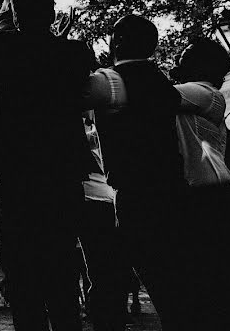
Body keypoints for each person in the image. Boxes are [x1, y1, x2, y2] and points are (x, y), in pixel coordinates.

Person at [0, 0, 95, 331]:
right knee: (63, 266)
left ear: (15, 15)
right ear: (53, 13)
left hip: (16, 173)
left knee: (22, 273)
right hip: (63, 169)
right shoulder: (76, 52)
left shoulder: (0, 45)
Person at [83, 14, 203, 331]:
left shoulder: (110, 82)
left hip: (136, 196)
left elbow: (62, 91)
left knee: (111, 283)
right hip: (174, 191)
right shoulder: (162, 83)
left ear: (118, 41)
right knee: (173, 288)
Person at [170, 38, 230, 327]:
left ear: (204, 66)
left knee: (227, 275)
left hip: (210, 196)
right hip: (206, 196)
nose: (179, 63)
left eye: (186, 58)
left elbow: (154, 93)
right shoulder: (195, 95)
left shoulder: (204, 93)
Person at [77, 117, 127, 331]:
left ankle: (114, 320)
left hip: (109, 202)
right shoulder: (86, 137)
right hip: (91, 204)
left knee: (115, 270)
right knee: (99, 271)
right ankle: (105, 321)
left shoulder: (95, 133)